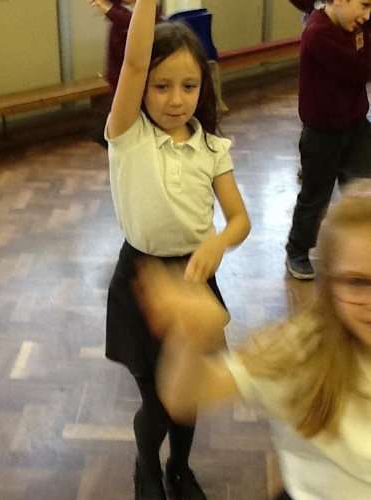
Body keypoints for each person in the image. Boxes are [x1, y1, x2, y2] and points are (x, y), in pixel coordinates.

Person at [134, 178, 371, 500]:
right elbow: (186, 396)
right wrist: (190, 338)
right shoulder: (302, 352)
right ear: (329, 285)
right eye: (358, 282)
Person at [104, 0, 251, 498]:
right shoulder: (127, 135)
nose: (176, 99)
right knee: (157, 401)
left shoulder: (211, 149)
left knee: (187, 399)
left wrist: (218, 243)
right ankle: (146, 466)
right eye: (161, 86)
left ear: (203, 88)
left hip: (193, 281)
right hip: (142, 281)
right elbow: (133, 62)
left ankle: (179, 469)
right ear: (142, 88)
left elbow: (239, 219)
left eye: (189, 86)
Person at [285, 0, 371, 280]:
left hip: (356, 125)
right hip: (322, 135)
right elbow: (359, 70)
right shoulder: (319, 32)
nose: (367, 15)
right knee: (315, 198)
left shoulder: (356, 25)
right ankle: (297, 249)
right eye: (364, 5)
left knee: (363, 188)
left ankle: (361, 246)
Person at [87, 0, 163, 148]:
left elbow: (135, 23)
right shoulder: (119, 11)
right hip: (119, 78)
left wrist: (108, 10)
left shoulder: (149, 9)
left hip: (146, 77)